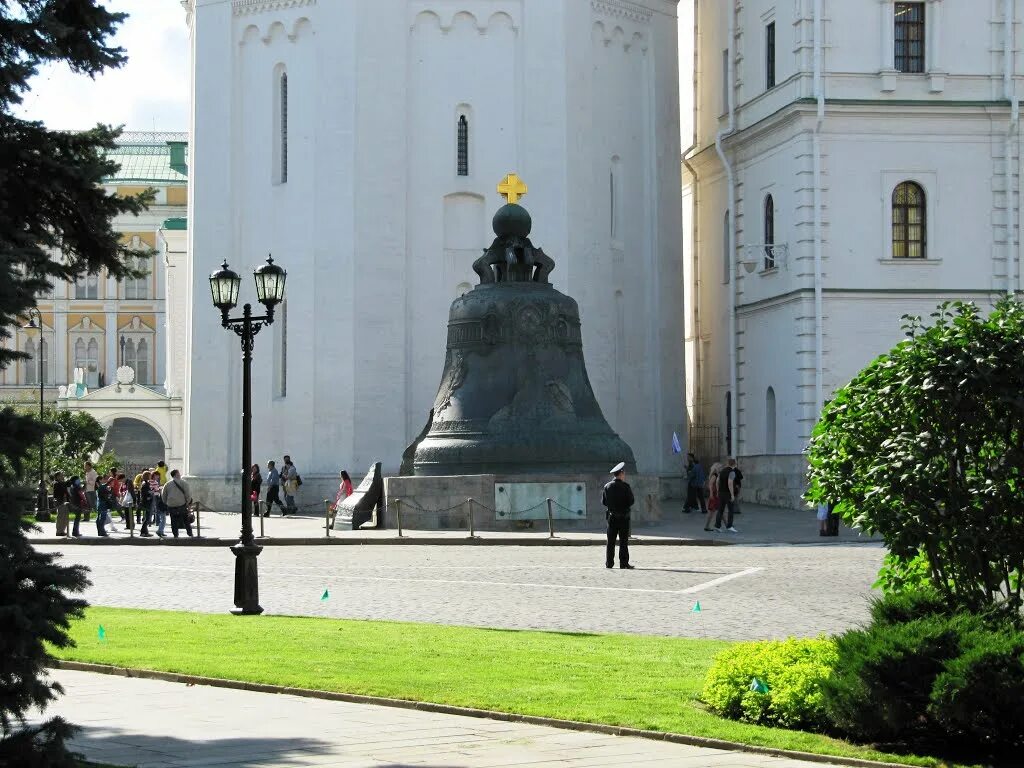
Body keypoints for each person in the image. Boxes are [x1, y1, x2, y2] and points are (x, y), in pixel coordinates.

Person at [602, 461, 635, 570]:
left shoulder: (607, 486)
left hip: (612, 517)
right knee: (623, 541)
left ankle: (609, 563)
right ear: (620, 473)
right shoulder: (626, 486)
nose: (624, 475)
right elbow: (631, 501)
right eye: (623, 473)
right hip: (624, 518)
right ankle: (624, 563)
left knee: (610, 542)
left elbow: (604, 502)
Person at [161, 469, 193, 538]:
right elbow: (188, 494)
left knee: (173, 520)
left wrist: (166, 503)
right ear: (177, 474)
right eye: (179, 473)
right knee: (185, 519)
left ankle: (175, 534)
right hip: (182, 504)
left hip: (171, 505)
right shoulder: (184, 483)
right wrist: (187, 503)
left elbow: (163, 495)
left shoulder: (167, 484)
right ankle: (190, 533)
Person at [716, 457, 740, 533]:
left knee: (720, 510)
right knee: (731, 510)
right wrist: (732, 495)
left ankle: (717, 526)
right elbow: (730, 483)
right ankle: (729, 526)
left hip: (721, 493)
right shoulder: (732, 472)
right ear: (734, 464)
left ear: (728, 463)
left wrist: (717, 491)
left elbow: (717, 481)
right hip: (728, 493)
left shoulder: (722, 471)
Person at [704, 462, 723, 532]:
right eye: (720, 467)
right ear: (716, 468)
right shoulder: (714, 475)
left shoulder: (717, 475)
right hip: (714, 495)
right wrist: (711, 494)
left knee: (719, 510)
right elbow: (710, 484)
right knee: (713, 511)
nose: (722, 468)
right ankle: (707, 526)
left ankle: (727, 525)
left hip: (716, 494)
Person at [52, 472, 70, 537]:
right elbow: (60, 492)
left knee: (65, 516)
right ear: (57, 477)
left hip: (64, 501)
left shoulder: (62, 483)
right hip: (60, 501)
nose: (62, 476)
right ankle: (59, 531)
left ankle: (62, 530)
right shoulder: (56, 483)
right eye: (61, 475)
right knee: (61, 516)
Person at [138, 471, 154, 537]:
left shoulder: (145, 483)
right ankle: (143, 532)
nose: (151, 476)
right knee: (147, 518)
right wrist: (150, 494)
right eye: (150, 475)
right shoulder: (145, 484)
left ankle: (146, 532)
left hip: (146, 502)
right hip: (147, 503)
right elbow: (145, 493)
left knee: (147, 518)